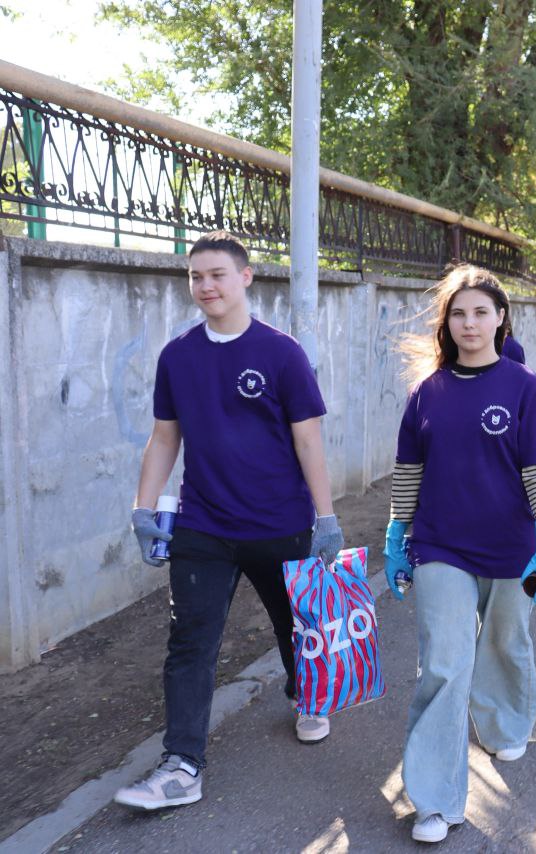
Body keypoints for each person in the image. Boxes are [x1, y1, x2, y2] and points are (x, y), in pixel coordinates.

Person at [113, 231, 345, 811]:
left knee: (296, 629)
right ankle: (182, 765)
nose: (205, 286)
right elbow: (165, 438)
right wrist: (143, 507)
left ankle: (307, 694)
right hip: (204, 526)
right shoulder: (178, 356)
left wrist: (327, 517)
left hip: (281, 524)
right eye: (196, 276)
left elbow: (308, 439)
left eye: (217, 274)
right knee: (190, 641)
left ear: (245, 277)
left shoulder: (281, 352)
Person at [382, 265, 536, 844]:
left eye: (480, 312)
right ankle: (435, 800)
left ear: (500, 318)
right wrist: (396, 537)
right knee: (443, 662)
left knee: (505, 641)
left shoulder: (524, 387)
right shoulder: (427, 393)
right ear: (448, 323)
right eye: (458, 313)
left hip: (512, 547)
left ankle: (505, 723)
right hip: (441, 545)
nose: (469, 323)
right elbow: (408, 472)